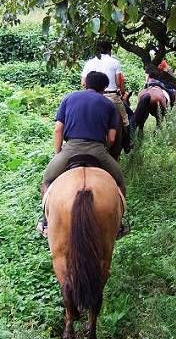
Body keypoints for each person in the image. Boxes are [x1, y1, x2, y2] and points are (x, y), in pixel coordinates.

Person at [37, 71, 126, 237]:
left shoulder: (69, 98)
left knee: (47, 180)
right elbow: (112, 138)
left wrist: (59, 153)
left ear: (84, 83)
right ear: (105, 87)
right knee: (120, 181)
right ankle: (120, 223)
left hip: (70, 149)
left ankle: (46, 221)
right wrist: (102, 148)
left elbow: (58, 129)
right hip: (98, 150)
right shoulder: (109, 105)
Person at [81, 40, 132, 153]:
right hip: (111, 96)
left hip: (90, 96)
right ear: (110, 50)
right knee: (125, 119)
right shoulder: (114, 62)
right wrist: (122, 91)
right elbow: (119, 83)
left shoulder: (89, 62)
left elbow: (83, 83)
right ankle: (128, 143)